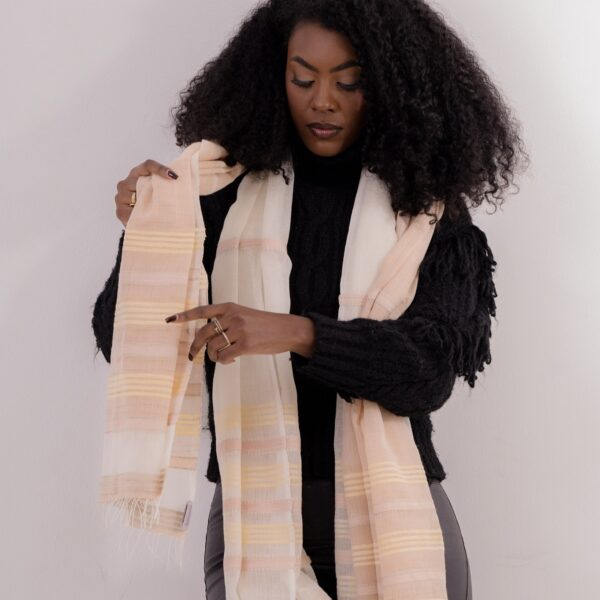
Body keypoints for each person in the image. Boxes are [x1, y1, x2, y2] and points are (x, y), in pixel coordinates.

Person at [91, 1, 528, 598]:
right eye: (303, 79)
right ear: (274, 78)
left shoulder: (427, 214)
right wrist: (149, 235)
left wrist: (296, 332)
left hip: (398, 515)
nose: (323, 101)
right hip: (251, 516)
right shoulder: (217, 195)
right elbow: (120, 337)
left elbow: (428, 372)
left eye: (348, 82)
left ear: (391, 85)